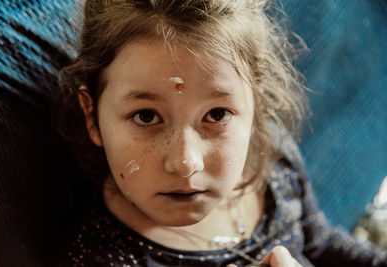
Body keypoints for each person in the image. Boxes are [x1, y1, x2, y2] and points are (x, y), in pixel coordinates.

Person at [55, 0, 387, 266]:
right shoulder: (97, 259)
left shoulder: (275, 161)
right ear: (92, 116)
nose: (186, 163)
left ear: (255, 105)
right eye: (146, 116)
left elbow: (321, 243)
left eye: (216, 115)